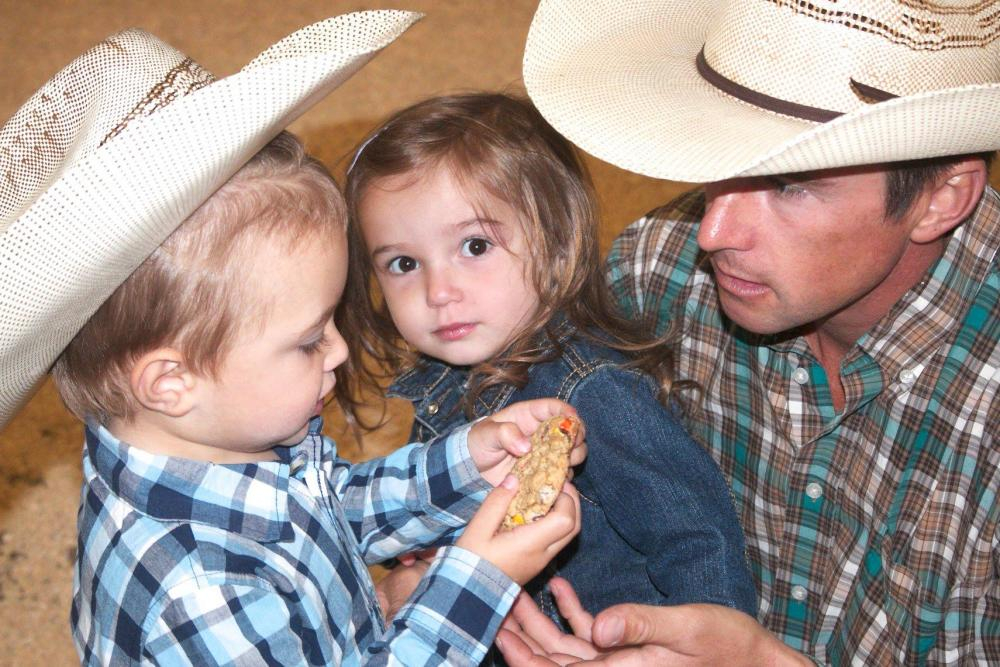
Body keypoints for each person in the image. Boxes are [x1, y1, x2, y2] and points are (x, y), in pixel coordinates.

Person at [0, 19, 584, 666]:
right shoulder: (200, 592)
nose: (338, 351)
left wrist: (467, 463)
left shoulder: (218, 425)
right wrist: (477, 578)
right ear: (171, 382)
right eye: (309, 341)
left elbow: (330, 506)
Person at [498, 0, 1000, 664]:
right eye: (720, 157)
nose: (713, 231)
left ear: (941, 198)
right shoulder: (658, 275)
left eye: (789, 184)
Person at [336, 92, 757, 651]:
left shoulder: (594, 393)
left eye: (475, 245)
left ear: (556, 243)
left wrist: (701, 650)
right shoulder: (442, 381)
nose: (438, 291)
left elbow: (697, 538)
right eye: (404, 264)